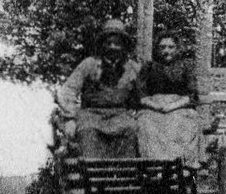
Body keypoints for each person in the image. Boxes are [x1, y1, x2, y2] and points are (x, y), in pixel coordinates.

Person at [55, 18, 142, 158]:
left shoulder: (132, 68)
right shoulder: (89, 64)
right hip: (91, 114)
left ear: (124, 46)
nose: (113, 47)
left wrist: (139, 112)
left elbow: (144, 94)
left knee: (131, 129)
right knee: (87, 131)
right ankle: (92, 176)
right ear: (102, 45)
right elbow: (68, 90)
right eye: (109, 43)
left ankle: (126, 177)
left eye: (117, 43)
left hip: (120, 115)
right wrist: (70, 117)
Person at [136, 32, 202, 165]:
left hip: (179, 108)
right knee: (145, 124)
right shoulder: (149, 67)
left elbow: (191, 95)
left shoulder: (186, 67)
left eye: (171, 47)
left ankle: (179, 166)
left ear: (177, 49)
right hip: (153, 108)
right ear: (157, 49)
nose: (166, 51)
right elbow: (141, 95)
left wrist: (171, 107)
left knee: (184, 124)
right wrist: (157, 106)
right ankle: (154, 167)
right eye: (162, 47)